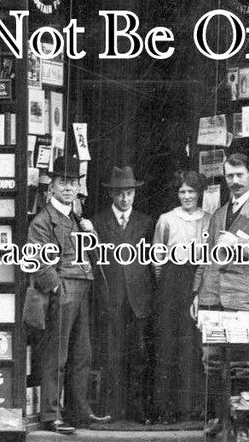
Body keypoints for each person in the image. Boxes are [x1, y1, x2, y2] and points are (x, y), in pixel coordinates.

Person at [191, 153, 249, 442]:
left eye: (240, 174)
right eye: (230, 176)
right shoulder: (219, 213)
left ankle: (242, 426)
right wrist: (197, 292)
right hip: (214, 296)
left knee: (243, 366)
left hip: (245, 298)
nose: (235, 181)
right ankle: (222, 418)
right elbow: (208, 255)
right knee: (212, 363)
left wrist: (241, 240)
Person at [27, 155, 99, 435]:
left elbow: (91, 252)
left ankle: (80, 412)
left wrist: (92, 234)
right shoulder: (44, 219)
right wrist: (56, 286)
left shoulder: (77, 216)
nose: (69, 188)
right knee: (57, 355)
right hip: (63, 288)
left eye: (73, 183)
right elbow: (36, 258)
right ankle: (51, 414)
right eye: (63, 183)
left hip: (82, 285)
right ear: (52, 186)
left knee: (82, 354)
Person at [92, 166, 155, 424]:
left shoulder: (146, 222)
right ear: (112, 195)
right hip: (111, 299)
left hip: (138, 299)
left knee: (139, 356)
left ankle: (138, 409)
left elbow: (153, 263)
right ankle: (113, 409)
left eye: (129, 193)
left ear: (134, 194)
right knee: (111, 354)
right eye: (120, 193)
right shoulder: (97, 222)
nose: (125, 199)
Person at [152, 170, 211, 424]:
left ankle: (190, 409)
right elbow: (157, 258)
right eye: (182, 192)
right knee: (167, 344)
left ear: (199, 194)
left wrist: (198, 290)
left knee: (191, 346)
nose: (186, 196)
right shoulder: (166, 219)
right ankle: (165, 409)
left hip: (196, 281)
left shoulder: (209, 219)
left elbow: (209, 258)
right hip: (170, 281)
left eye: (191, 191)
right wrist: (166, 284)